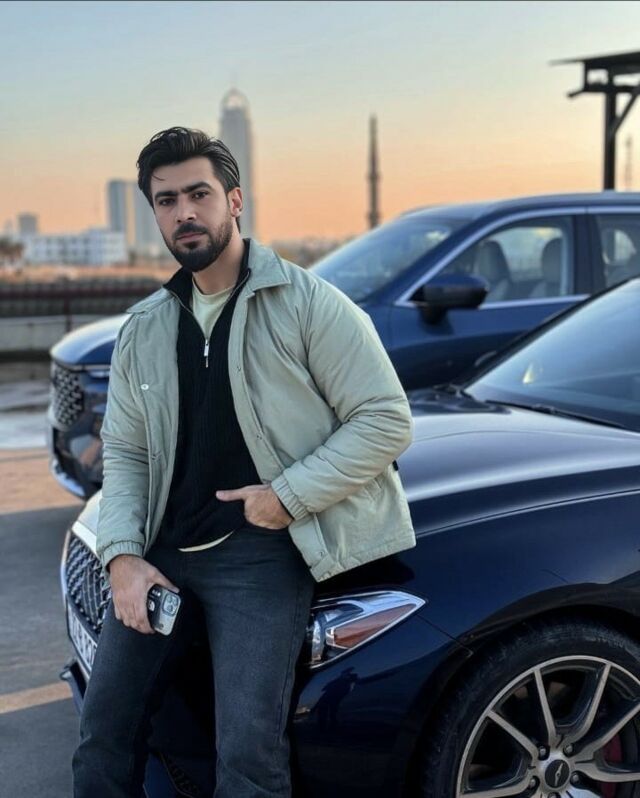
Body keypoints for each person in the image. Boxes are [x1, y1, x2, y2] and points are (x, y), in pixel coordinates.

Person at [72, 126, 416, 798]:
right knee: (103, 734)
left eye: (198, 194)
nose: (185, 212)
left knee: (248, 756)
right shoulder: (145, 327)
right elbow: (128, 451)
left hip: (258, 555)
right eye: (167, 200)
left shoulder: (309, 304)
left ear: (234, 200)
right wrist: (121, 556)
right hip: (160, 552)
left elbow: (384, 418)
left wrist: (287, 496)